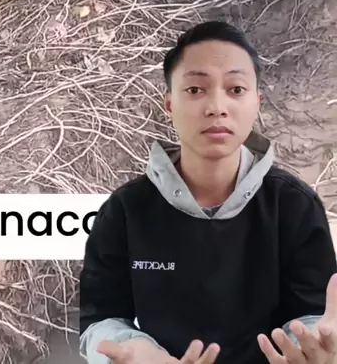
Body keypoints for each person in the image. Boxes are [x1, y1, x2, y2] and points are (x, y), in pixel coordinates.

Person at [79, 20, 337, 364]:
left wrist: (314, 348)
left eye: (236, 89)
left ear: (257, 102)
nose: (217, 106)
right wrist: (132, 351)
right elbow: (100, 320)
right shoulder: (125, 210)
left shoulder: (294, 206)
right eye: (195, 89)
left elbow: (314, 316)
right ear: (169, 103)